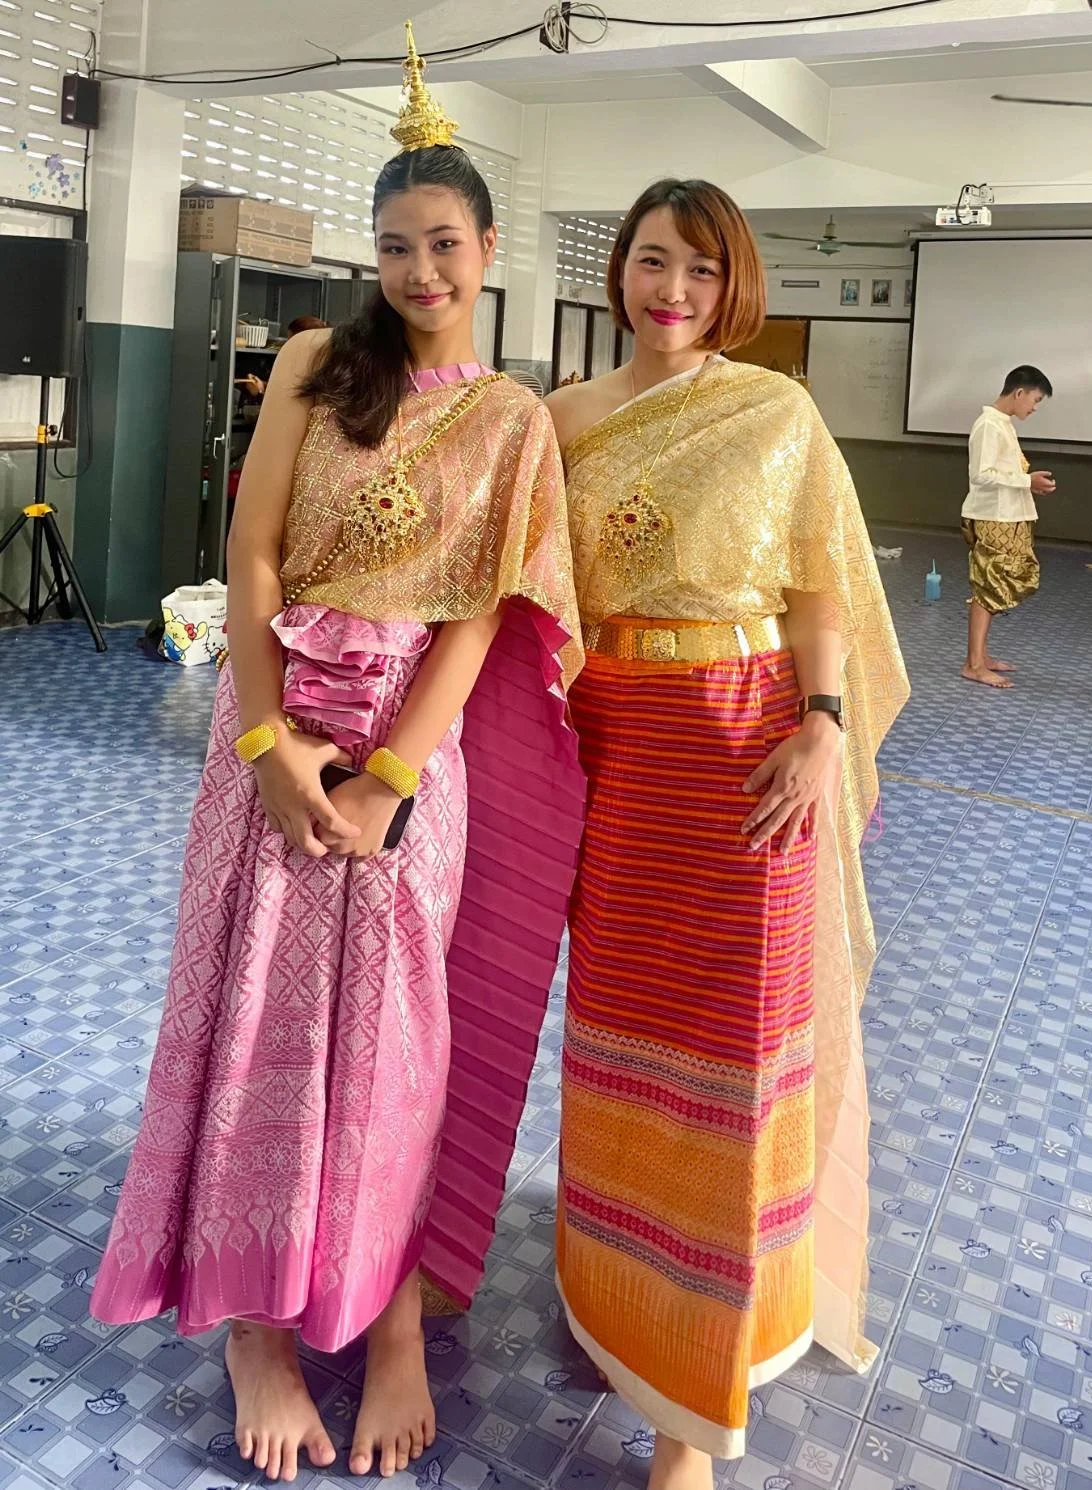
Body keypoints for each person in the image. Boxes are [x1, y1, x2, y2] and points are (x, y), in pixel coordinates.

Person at [90, 27, 585, 1485]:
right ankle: (251, 1324)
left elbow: (486, 615)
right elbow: (246, 562)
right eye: (393, 246)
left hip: (404, 765)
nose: (418, 271)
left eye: (441, 243)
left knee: (390, 1041)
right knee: (246, 1020)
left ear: (486, 247)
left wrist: (387, 779)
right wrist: (261, 743)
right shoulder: (316, 358)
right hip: (270, 732)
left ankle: (379, 1328)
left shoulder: (510, 423)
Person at [545, 179, 908, 1490]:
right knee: (612, 1040)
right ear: (617, 269)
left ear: (732, 285)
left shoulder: (776, 413)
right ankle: (614, 1297)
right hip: (612, 756)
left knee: (734, 1054)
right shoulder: (563, 419)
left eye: (700, 270)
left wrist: (820, 720)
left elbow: (819, 590)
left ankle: (688, 1419)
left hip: (748, 756)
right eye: (650, 260)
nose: (673, 291)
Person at [960, 365, 1054, 689]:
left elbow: (1005, 474)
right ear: (1019, 393)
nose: (1034, 407)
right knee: (989, 586)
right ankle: (973, 664)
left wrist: (1028, 484)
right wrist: (1026, 480)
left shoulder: (1003, 424)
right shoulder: (988, 425)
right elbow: (981, 475)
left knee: (997, 584)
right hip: (993, 518)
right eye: (1035, 399)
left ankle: (980, 656)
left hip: (1007, 518)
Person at [236, 318, 331, 400]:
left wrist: (261, 391)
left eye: (292, 341)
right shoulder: (316, 363)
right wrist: (263, 385)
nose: (288, 345)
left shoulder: (318, 371)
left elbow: (294, 403)